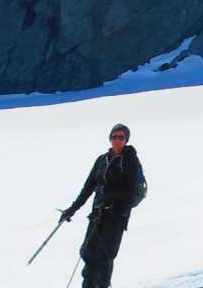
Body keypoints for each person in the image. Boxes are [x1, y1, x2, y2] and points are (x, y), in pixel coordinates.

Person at [59, 123, 147, 288]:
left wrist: (117, 205)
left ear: (126, 139)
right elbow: (88, 188)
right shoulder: (101, 160)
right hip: (97, 214)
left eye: (121, 137)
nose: (117, 140)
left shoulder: (130, 161)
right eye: (114, 137)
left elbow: (132, 191)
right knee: (87, 252)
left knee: (104, 257)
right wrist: (72, 209)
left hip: (116, 217)